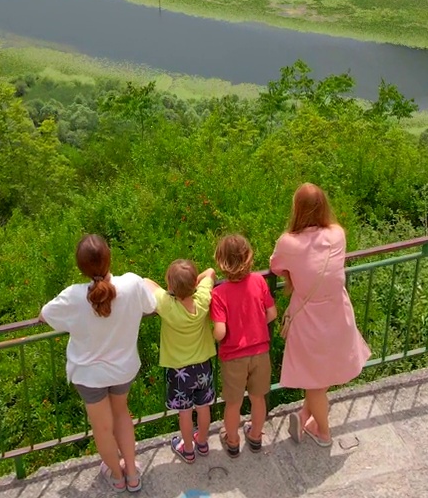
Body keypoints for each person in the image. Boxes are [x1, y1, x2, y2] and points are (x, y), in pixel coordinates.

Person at [41, 235, 155, 493]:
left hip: (89, 375)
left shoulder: (73, 296)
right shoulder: (132, 283)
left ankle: (116, 476)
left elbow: (45, 314)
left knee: (102, 428)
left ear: (80, 267)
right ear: (109, 257)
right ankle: (134, 475)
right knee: (122, 415)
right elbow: (151, 303)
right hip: (123, 368)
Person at [270, 183, 371, 447]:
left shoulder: (288, 242)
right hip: (338, 314)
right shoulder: (338, 234)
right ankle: (307, 412)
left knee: (313, 379)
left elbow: (275, 265)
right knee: (320, 372)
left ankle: (322, 431)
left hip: (309, 320)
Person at [210, 234, 277, 457]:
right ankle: (256, 436)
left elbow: (220, 332)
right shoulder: (259, 281)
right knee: (258, 399)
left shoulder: (218, 294)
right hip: (260, 351)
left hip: (234, 357)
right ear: (248, 257)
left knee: (233, 403)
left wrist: (210, 334)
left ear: (221, 261)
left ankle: (232, 441)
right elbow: (272, 313)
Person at [144, 260, 217, 463]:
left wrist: (167, 290)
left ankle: (187, 449)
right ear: (194, 284)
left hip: (179, 371)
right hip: (203, 366)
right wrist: (196, 282)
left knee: (185, 413)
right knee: (204, 407)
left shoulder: (166, 304)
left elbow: (145, 282)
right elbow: (211, 271)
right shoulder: (202, 299)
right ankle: (202, 441)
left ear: (170, 287)